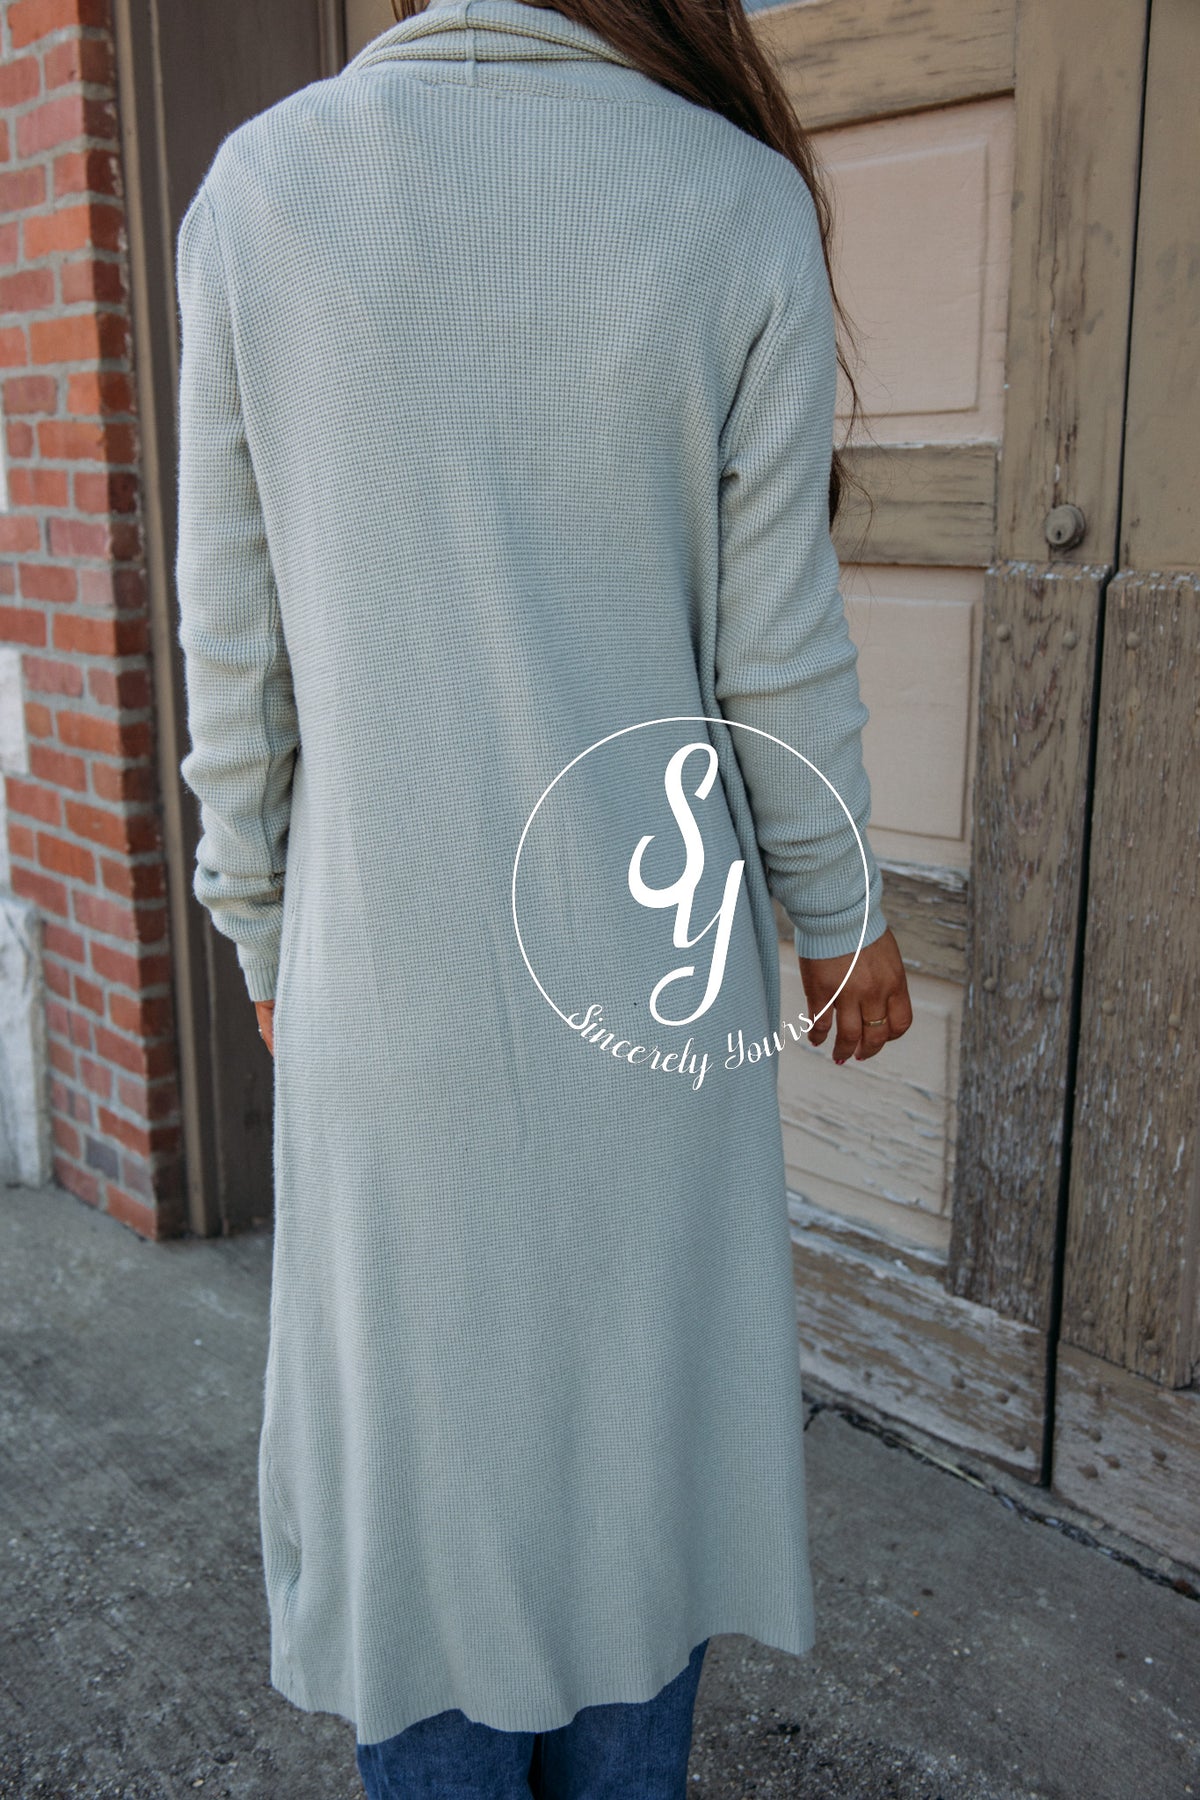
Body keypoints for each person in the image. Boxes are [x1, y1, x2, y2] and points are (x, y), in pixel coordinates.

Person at [173, 0, 913, 1792]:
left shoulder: (259, 195)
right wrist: (840, 915)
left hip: (387, 973)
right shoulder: (734, 199)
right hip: (650, 977)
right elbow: (775, 650)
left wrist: (261, 921)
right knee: (628, 1457)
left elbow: (232, 647)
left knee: (424, 1476)